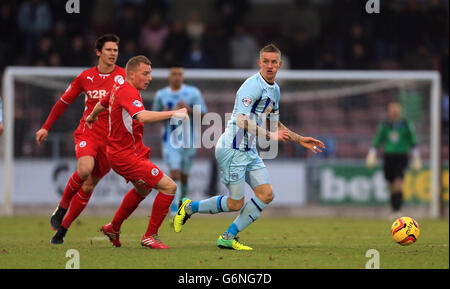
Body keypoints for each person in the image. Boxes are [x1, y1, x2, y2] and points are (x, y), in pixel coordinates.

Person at [173, 44, 325, 250]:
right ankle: (189, 207)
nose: (269, 66)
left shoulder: (275, 90)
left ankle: (228, 237)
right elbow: (243, 121)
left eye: (273, 62)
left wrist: (300, 140)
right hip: (232, 149)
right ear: (259, 63)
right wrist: (271, 136)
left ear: (280, 65)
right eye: (266, 61)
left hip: (249, 151)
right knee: (235, 203)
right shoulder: (251, 86)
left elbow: (275, 123)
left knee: (266, 195)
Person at [86, 55, 188, 249]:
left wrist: (92, 115)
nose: (149, 78)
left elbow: (103, 102)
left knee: (143, 189)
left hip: (124, 151)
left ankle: (113, 227)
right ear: (132, 74)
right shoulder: (127, 91)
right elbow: (141, 117)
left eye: (150, 74)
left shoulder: (119, 86)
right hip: (124, 155)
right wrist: (174, 113)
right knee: (169, 187)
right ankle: (150, 235)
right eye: (145, 73)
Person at [35, 34, 126, 244]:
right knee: (84, 169)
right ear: (98, 52)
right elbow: (62, 103)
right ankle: (63, 205)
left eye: (115, 50)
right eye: (109, 50)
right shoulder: (85, 77)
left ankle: (62, 230)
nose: (113, 54)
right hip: (89, 132)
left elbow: (133, 107)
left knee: (88, 186)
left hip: (111, 141)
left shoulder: (124, 77)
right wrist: (45, 127)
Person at [152, 65, 207, 217]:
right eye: (174, 74)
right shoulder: (161, 94)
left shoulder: (193, 93)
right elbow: (154, 115)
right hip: (170, 141)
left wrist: (188, 109)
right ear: (169, 76)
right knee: (174, 174)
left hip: (189, 140)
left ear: (183, 76)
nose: (176, 77)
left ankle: (182, 203)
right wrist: (167, 112)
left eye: (179, 74)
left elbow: (203, 115)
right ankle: (174, 210)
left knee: (183, 176)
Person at [366, 101, 421, 216]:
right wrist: (372, 153)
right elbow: (378, 140)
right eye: (392, 111)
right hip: (388, 156)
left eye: (396, 111)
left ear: (400, 112)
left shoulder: (406, 124)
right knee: (391, 184)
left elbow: (413, 140)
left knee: (398, 182)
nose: (394, 113)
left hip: (401, 156)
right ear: (389, 112)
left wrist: (416, 156)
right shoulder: (385, 125)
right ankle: (394, 209)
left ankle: (398, 209)